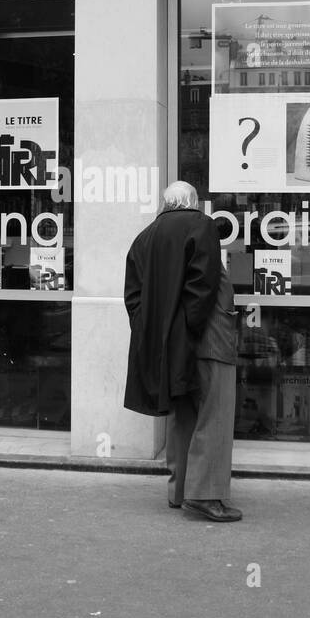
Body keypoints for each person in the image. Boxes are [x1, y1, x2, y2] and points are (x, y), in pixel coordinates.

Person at [124, 181, 243, 522]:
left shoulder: (144, 238)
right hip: (208, 339)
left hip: (169, 347)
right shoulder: (200, 225)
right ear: (192, 202)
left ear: (165, 204)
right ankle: (206, 496)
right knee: (215, 415)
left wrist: (162, 334)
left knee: (185, 416)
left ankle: (180, 491)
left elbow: (133, 298)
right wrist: (189, 331)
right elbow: (202, 286)